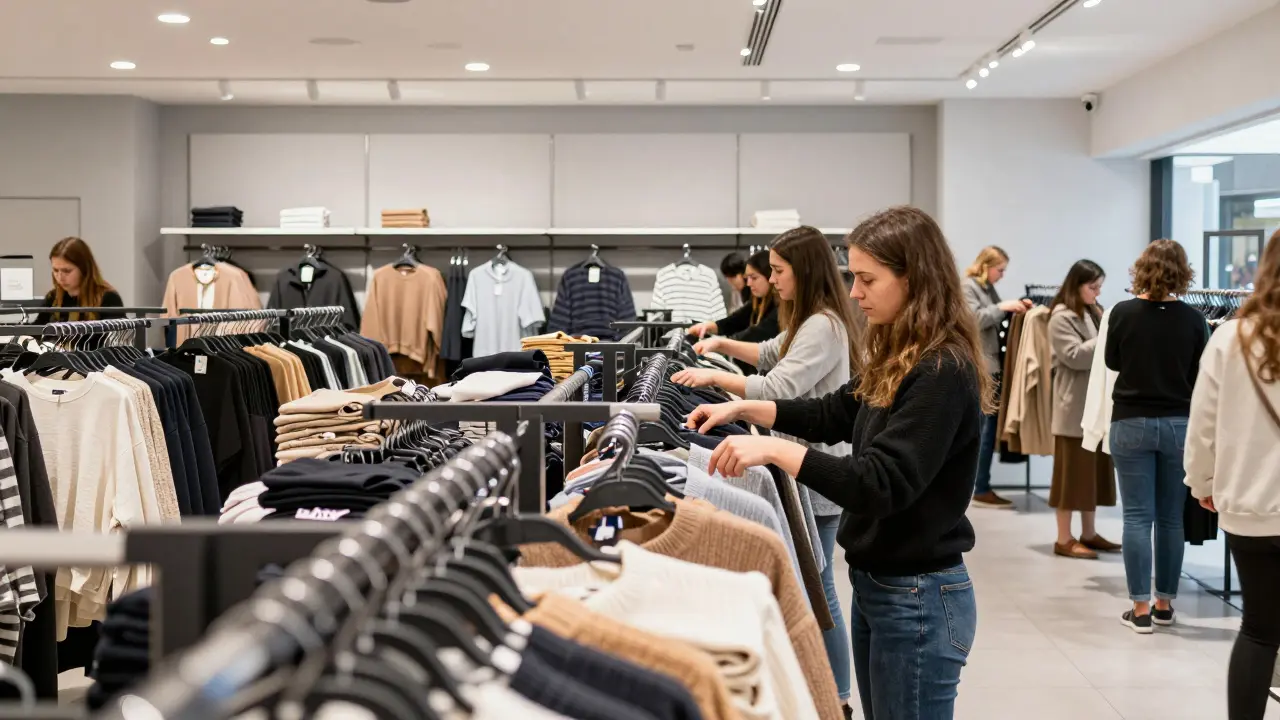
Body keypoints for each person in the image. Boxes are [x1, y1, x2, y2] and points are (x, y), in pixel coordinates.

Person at [684, 206, 985, 720]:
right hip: (883, 585)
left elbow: (880, 483)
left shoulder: (941, 369)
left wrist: (777, 450)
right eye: (852, 277)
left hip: (918, 597)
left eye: (867, 279)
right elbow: (834, 412)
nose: (855, 293)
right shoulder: (901, 352)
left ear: (914, 279)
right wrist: (742, 407)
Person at [672, 226, 861, 711]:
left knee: (819, 594)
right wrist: (721, 345)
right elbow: (770, 353)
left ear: (805, 270)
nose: (772, 280)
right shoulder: (809, 319)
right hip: (803, 467)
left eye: (778, 271)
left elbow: (778, 385)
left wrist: (716, 379)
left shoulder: (823, 325)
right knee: (816, 587)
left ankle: (836, 698)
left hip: (816, 471)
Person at [1185, 228, 1280, 720]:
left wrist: (1203, 484)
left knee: (1260, 630)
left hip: (1248, 505)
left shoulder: (1230, 336)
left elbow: (1203, 422)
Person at [1105, 239, 1209, 634]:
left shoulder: (1123, 313)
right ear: (1184, 271)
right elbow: (1201, 373)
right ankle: (1165, 603)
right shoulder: (1195, 320)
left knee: (1136, 517)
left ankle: (1141, 608)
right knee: (1170, 519)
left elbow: (1113, 361)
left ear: (1141, 269)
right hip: (1180, 425)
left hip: (1130, 422)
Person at [1047, 260, 1120, 559]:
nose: (1097, 292)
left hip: (1095, 408)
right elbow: (1073, 356)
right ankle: (1064, 538)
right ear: (1076, 285)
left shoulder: (1094, 312)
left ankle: (1088, 533)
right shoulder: (1060, 318)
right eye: (1093, 287)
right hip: (1073, 410)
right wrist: (1105, 337)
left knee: (1091, 476)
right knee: (1070, 478)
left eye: (1100, 287)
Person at [963, 245, 1031, 509]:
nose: (1002, 275)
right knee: (983, 430)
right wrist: (1003, 307)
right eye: (1000, 270)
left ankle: (981, 485)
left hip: (989, 366)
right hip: (981, 367)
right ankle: (979, 488)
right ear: (986, 266)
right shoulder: (969, 287)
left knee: (987, 430)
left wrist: (1008, 308)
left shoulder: (985, 288)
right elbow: (972, 320)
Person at [686, 249, 781, 345]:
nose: (748, 283)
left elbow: (759, 332)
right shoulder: (758, 300)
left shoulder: (780, 306)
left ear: (769, 276)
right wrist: (709, 326)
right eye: (747, 278)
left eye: (754, 278)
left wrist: (722, 343)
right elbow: (737, 319)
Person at [36, 237, 124, 323]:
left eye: (67, 271)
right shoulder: (53, 297)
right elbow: (35, 330)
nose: (60, 277)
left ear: (84, 269)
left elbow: (118, 335)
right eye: (55, 270)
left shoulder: (108, 298)